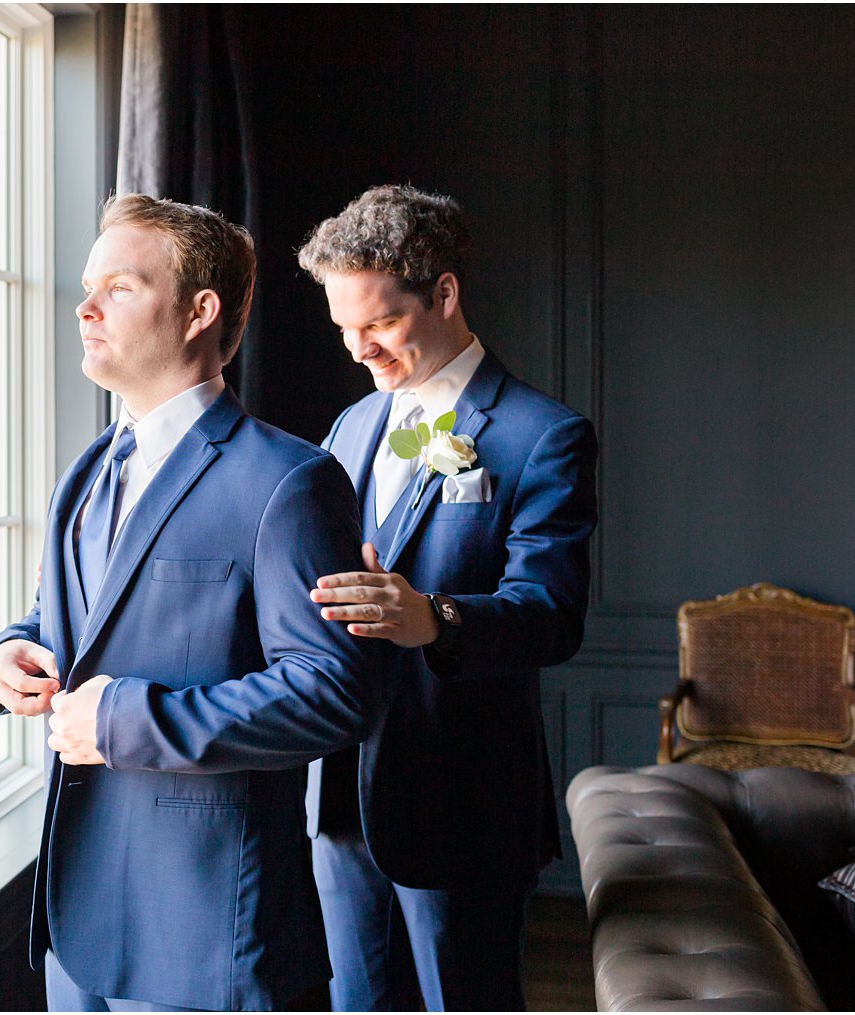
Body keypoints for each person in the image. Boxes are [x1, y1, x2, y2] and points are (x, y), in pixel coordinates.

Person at [0, 194, 376, 1012]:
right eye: (89, 286)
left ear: (201, 310)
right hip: (75, 923)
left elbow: (335, 692)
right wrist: (5, 658)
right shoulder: (87, 474)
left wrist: (127, 718)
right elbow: (62, 622)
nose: (84, 307)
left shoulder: (288, 482)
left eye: (118, 287)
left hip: (207, 940)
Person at [297, 184, 598, 1012]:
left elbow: (552, 612)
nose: (359, 350)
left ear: (444, 294)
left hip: (463, 803)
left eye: (380, 324)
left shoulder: (543, 435)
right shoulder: (350, 428)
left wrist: (433, 617)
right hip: (340, 797)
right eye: (344, 329)